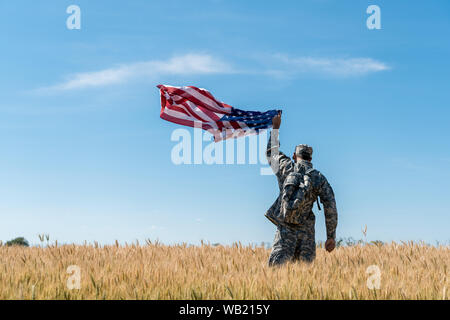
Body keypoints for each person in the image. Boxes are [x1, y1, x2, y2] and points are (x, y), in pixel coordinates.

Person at [265, 112, 338, 266]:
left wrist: (275, 128)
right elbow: (330, 206)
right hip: (306, 233)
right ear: (310, 158)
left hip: (285, 230)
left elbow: (271, 153)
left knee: (275, 275)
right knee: (306, 274)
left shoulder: (287, 167)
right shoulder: (318, 178)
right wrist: (331, 235)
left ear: (294, 155)